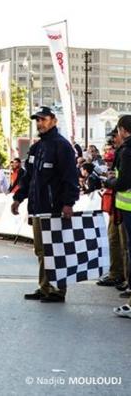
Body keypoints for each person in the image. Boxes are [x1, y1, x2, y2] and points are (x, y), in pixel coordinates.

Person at [12, 106, 79, 304]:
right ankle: (45, 286)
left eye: (43, 119)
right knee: (41, 250)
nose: (39, 123)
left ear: (54, 120)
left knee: (55, 250)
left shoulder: (63, 146)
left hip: (55, 209)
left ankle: (58, 290)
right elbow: (28, 178)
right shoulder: (36, 147)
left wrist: (68, 203)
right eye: (37, 120)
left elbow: (71, 177)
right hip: (38, 208)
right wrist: (18, 198)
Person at [104, 115, 131, 317]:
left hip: (128, 208)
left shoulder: (127, 151)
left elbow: (124, 183)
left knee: (128, 250)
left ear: (122, 130)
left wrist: (110, 182)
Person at [98, 128, 129, 291]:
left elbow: (121, 181)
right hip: (116, 205)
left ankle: (125, 277)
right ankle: (116, 273)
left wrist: (110, 181)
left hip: (124, 206)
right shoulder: (120, 152)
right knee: (114, 240)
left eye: (114, 137)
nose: (112, 142)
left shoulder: (125, 153)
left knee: (125, 245)